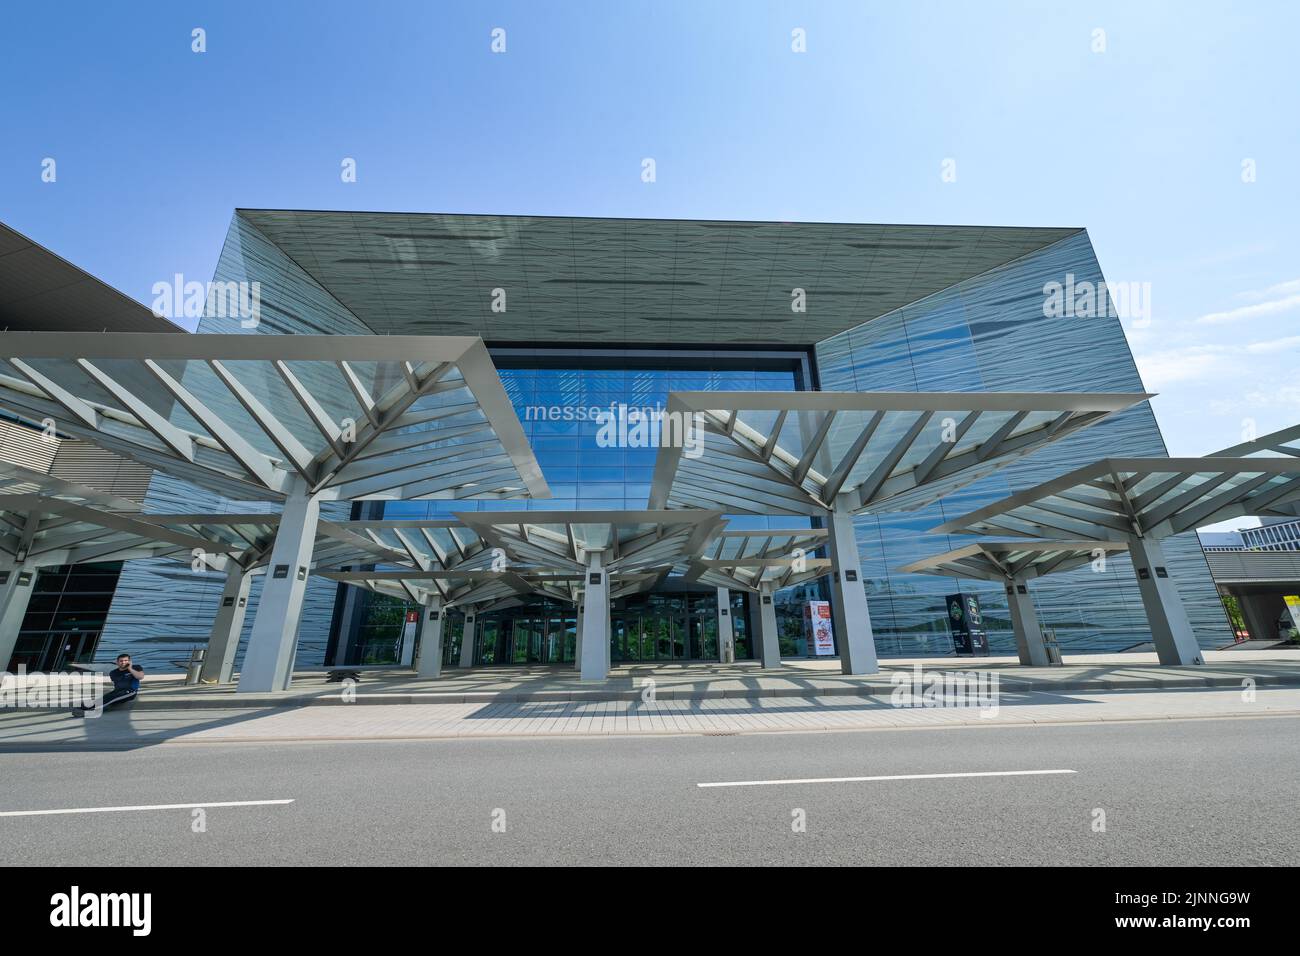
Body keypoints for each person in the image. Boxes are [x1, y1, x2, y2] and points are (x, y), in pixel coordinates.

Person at [73, 653, 143, 716]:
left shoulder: (136, 667)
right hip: (117, 691)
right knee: (105, 697)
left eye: (126, 660)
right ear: (117, 662)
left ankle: (92, 712)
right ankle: (84, 707)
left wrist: (130, 668)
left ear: (129, 661)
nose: (123, 662)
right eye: (121, 661)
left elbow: (140, 677)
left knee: (113, 697)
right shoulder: (113, 673)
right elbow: (118, 684)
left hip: (130, 691)